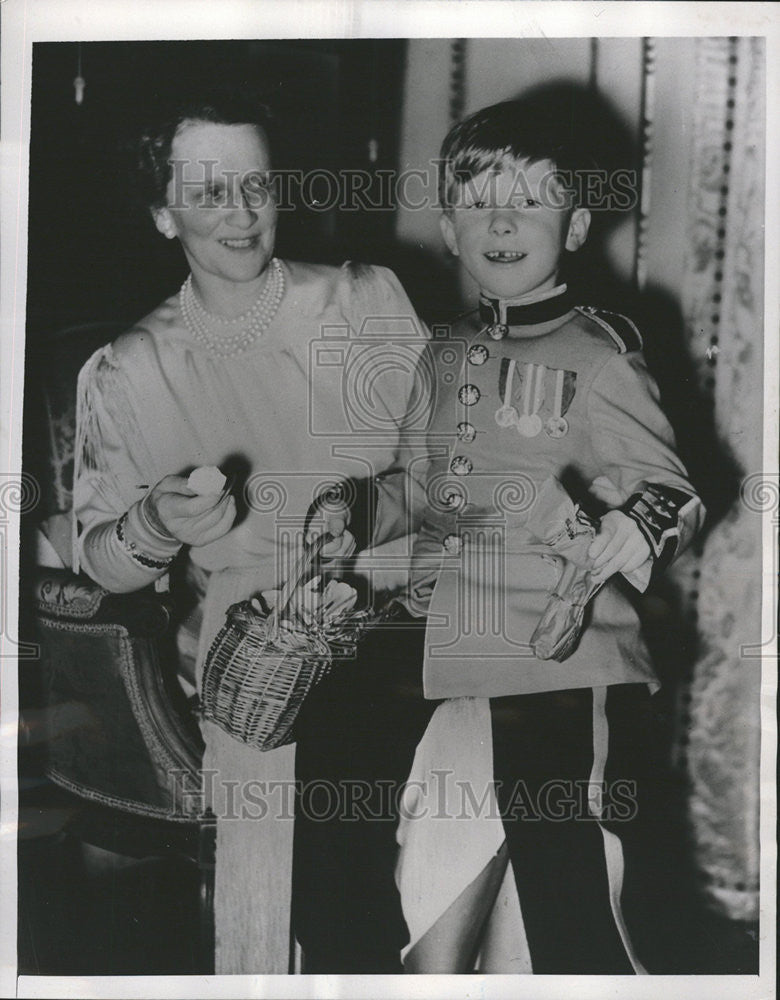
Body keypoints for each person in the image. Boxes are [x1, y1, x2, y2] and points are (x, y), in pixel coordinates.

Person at [293, 98, 705, 974]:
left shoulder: (601, 356)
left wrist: (638, 527)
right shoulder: (440, 355)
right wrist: (355, 516)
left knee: (563, 863)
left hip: (559, 655)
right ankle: (356, 961)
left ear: (577, 223)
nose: (504, 221)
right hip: (439, 635)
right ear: (448, 227)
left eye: (530, 200)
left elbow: (670, 487)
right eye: (479, 202)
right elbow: (416, 486)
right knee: (335, 760)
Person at [72, 89, 426, 973]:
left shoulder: (361, 303)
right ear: (163, 212)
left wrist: (365, 512)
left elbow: (453, 471)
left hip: (409, 618)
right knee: (333, 812)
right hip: (258, 662)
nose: (242, 212)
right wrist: (156, 522)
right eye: (210, 190)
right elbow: (102, 565)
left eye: (258, 184)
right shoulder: (132, 368)